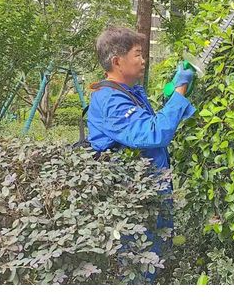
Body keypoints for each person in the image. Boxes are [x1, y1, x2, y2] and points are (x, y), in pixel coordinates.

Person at [84, 26, 196, 281]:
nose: (143, 60)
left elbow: (151, 124)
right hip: (134, 202)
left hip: (152, 193)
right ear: (117, 61)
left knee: (158, 262)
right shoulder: (110, 100)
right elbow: (154, 133)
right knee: (139, 268)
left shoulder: (128, 92)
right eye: (137, 54)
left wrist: (176, 91)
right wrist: (179, 91)